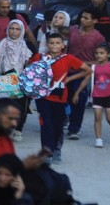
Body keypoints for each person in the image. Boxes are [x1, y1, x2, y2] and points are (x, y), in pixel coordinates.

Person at [27, 33, 90, 163]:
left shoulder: (68, 58)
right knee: (46, 125)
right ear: (47, 44)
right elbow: (28, 68)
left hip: (60, 97)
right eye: (51, 43)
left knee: (58, 125)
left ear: (63, 45)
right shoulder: (39, 57)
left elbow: (88, 70)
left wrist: (69, 78)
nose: (54, 45)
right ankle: (46, 153)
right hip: (43, 97)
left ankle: (56, 149)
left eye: (57, 43)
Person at [64, 8, 105, 140]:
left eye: (86, 18)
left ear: (95, 21)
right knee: (64, 98)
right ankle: (65, 121)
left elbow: (101, 59)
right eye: (82, 17)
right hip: (66, 71)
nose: (82, 20)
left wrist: (82, 63)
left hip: (84, 73)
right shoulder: (72, 31)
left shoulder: (98, 37)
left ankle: (74, 129)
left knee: (79, 100)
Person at [0, 19, 32, 140]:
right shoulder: (0, 44)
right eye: (12, 28)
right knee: (2, 107)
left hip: (21, 80)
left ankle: (18, 130)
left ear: (22, 31)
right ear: (7, 30)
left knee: (20, 108)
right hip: (3, 79)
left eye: (17, 29)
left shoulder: (28, 47)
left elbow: (32, 65)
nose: (14, 31)